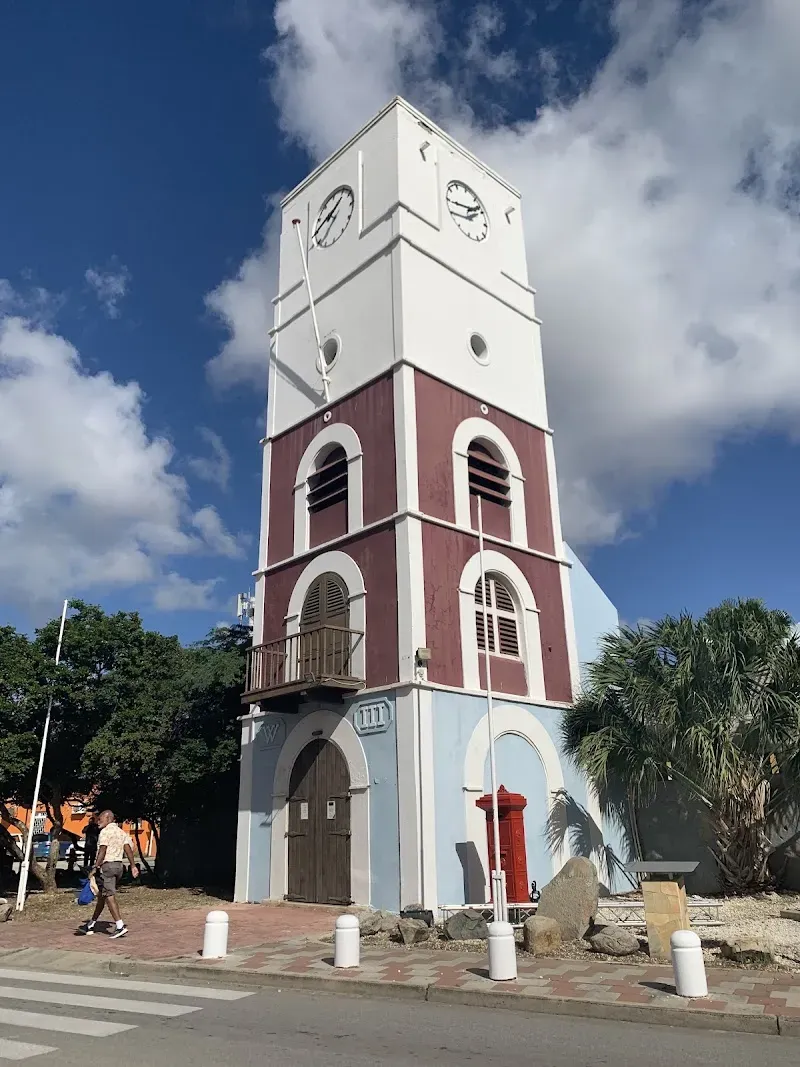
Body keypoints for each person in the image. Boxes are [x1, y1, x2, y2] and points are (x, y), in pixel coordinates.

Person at [77, 810, 138, 938]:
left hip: (107, 866)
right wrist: (132, 865)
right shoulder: (121, 832)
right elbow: (128, 848)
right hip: (119, 866)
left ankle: (120, 926)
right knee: (102, 895)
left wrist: (96, 866)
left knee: (109, 895)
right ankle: (91, 925)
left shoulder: (105, 832)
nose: (98, 822)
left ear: (108, 818)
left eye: (100, 819)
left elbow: (103, 850)